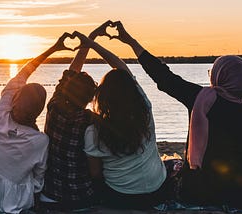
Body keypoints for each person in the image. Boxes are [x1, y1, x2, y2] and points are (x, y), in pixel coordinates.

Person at [111, 21, 242, 208]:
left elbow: (162, 75)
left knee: (170, 168)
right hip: (236, 194)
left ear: (219, 76)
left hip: (195, 192)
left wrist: (130, 41)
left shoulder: (200, 99)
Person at [0, 33, 73, 213]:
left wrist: (53, 48)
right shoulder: (40, 140)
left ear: (14, 100)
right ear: (39, 111)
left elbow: (24, 72)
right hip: (15, 200)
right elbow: (38, 179)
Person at [70, 30, 169, 210]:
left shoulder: (94, 130)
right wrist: (93, 44)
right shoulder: (144, 110)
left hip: (120, 197)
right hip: (158, 192)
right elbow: (123, 70)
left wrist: (90, 42)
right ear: (132, 91)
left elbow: (96, 174)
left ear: (102, 96)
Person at [39, 22, 111, 211]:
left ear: (66, 90)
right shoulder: (90, 122)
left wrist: (90, 40)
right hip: (79, 198)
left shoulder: (53, 106)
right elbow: (95, 173)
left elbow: (71, 72)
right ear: (90, 98)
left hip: (50, 194)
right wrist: (91, 39)